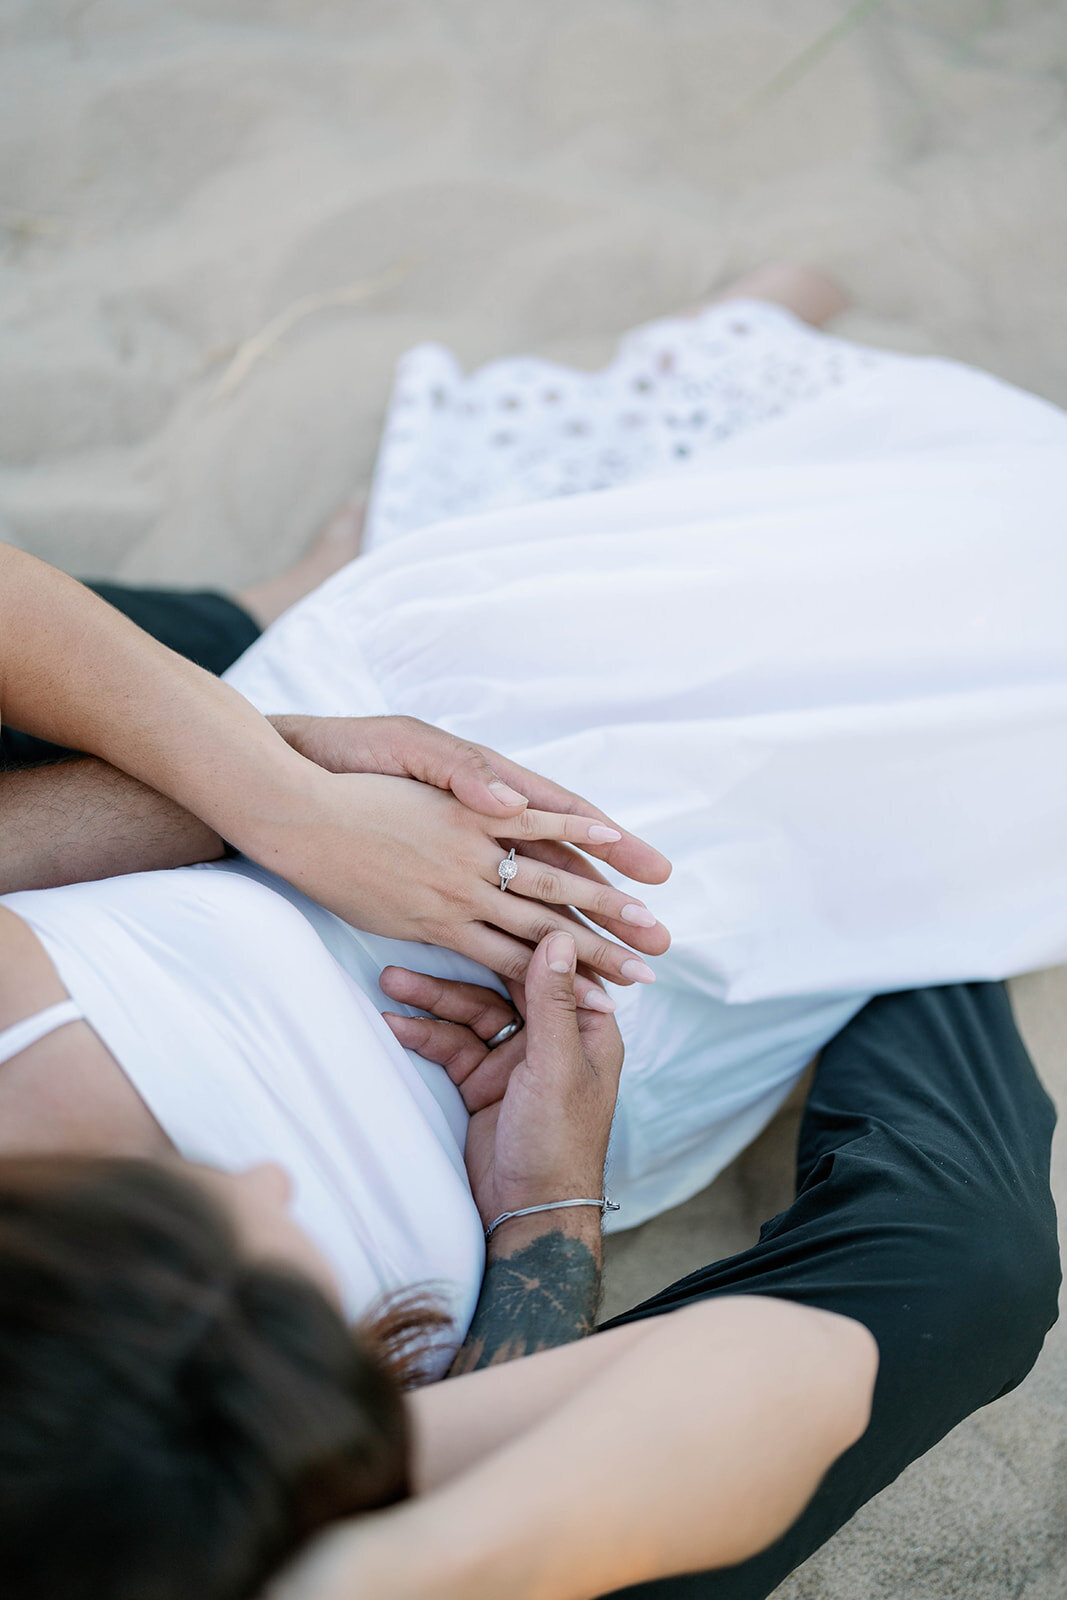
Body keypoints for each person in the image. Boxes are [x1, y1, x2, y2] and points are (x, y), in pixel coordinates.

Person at [0, 264, 1062, 1597]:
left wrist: (287, 794)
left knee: (923, 567)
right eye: (286, 1296)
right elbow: (768, 1377)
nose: (272, 1180)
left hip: (349, 798)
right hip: (606, 1047)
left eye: (174, 1211)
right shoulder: (190, 1496)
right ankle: (901, 931)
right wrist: (546, 1210)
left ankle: (264, 619)